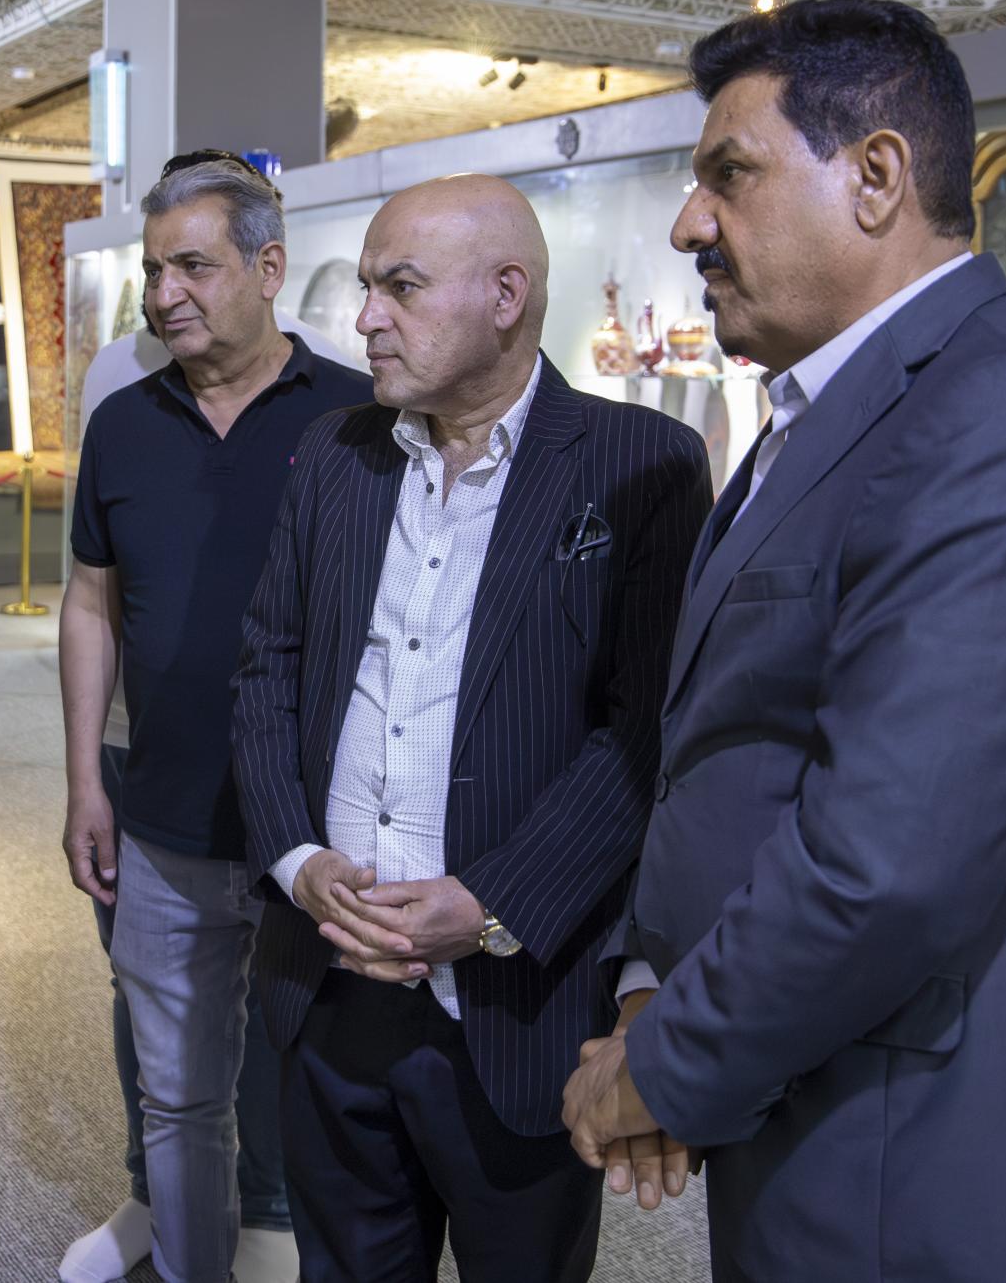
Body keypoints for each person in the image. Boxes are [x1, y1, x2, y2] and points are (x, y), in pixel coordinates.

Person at [560, 0, 1006, 1283]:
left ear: (874, 178)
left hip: (958, 1160)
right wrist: (652, 981)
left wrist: (658, 1065)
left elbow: (887, 860)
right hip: (821, 1096)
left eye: (728, 175)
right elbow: (739, 749)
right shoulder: (828, 414)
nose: (689, 223)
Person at [230, 173, 711, 1282]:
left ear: (505, 295)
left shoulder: (640, 464)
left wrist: (489, 907)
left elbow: (641, 733)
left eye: (399, 287)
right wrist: (297, 862)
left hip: (515, 1003)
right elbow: (265, 670)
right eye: (367, 287)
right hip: (328, 981)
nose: (364, 318)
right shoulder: (334, 454)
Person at [59, 152, 371, 1283]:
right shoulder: (123, 422)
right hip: (164, 815)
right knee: (178, 1096)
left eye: (192, 266)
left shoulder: (359, 415)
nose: (164, 292)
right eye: (154, 271)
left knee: (337, 1087)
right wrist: (85, 781)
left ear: (267, 268)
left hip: (325, 827)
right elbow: (89, 603)